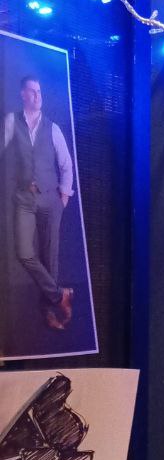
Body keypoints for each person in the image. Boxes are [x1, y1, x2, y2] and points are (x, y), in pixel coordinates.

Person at [2, 75, 75, 330]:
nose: (37, 96)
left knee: (49, 258)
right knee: (24, 253)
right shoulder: (12, 121)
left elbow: (66, 165)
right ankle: (60, 295)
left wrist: (63, 197)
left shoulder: (52, 128)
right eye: (32, 91)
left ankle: (49, 313)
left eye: (39, 92)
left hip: (50, 199)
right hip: (24, 197)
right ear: (23, 94)